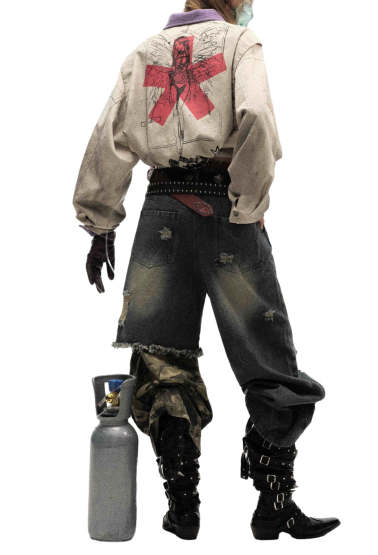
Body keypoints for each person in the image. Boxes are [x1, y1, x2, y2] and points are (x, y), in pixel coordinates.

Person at [73, 0, 340, 541]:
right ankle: (274, 504)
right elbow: (257, 117)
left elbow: (109, 137)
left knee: (161, 359)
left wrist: (100, 223)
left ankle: (183, 507)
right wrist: (249, 203)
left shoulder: (143, 54)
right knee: (268, 357)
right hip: (225, 213)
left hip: (160, 214)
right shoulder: (241, 44)